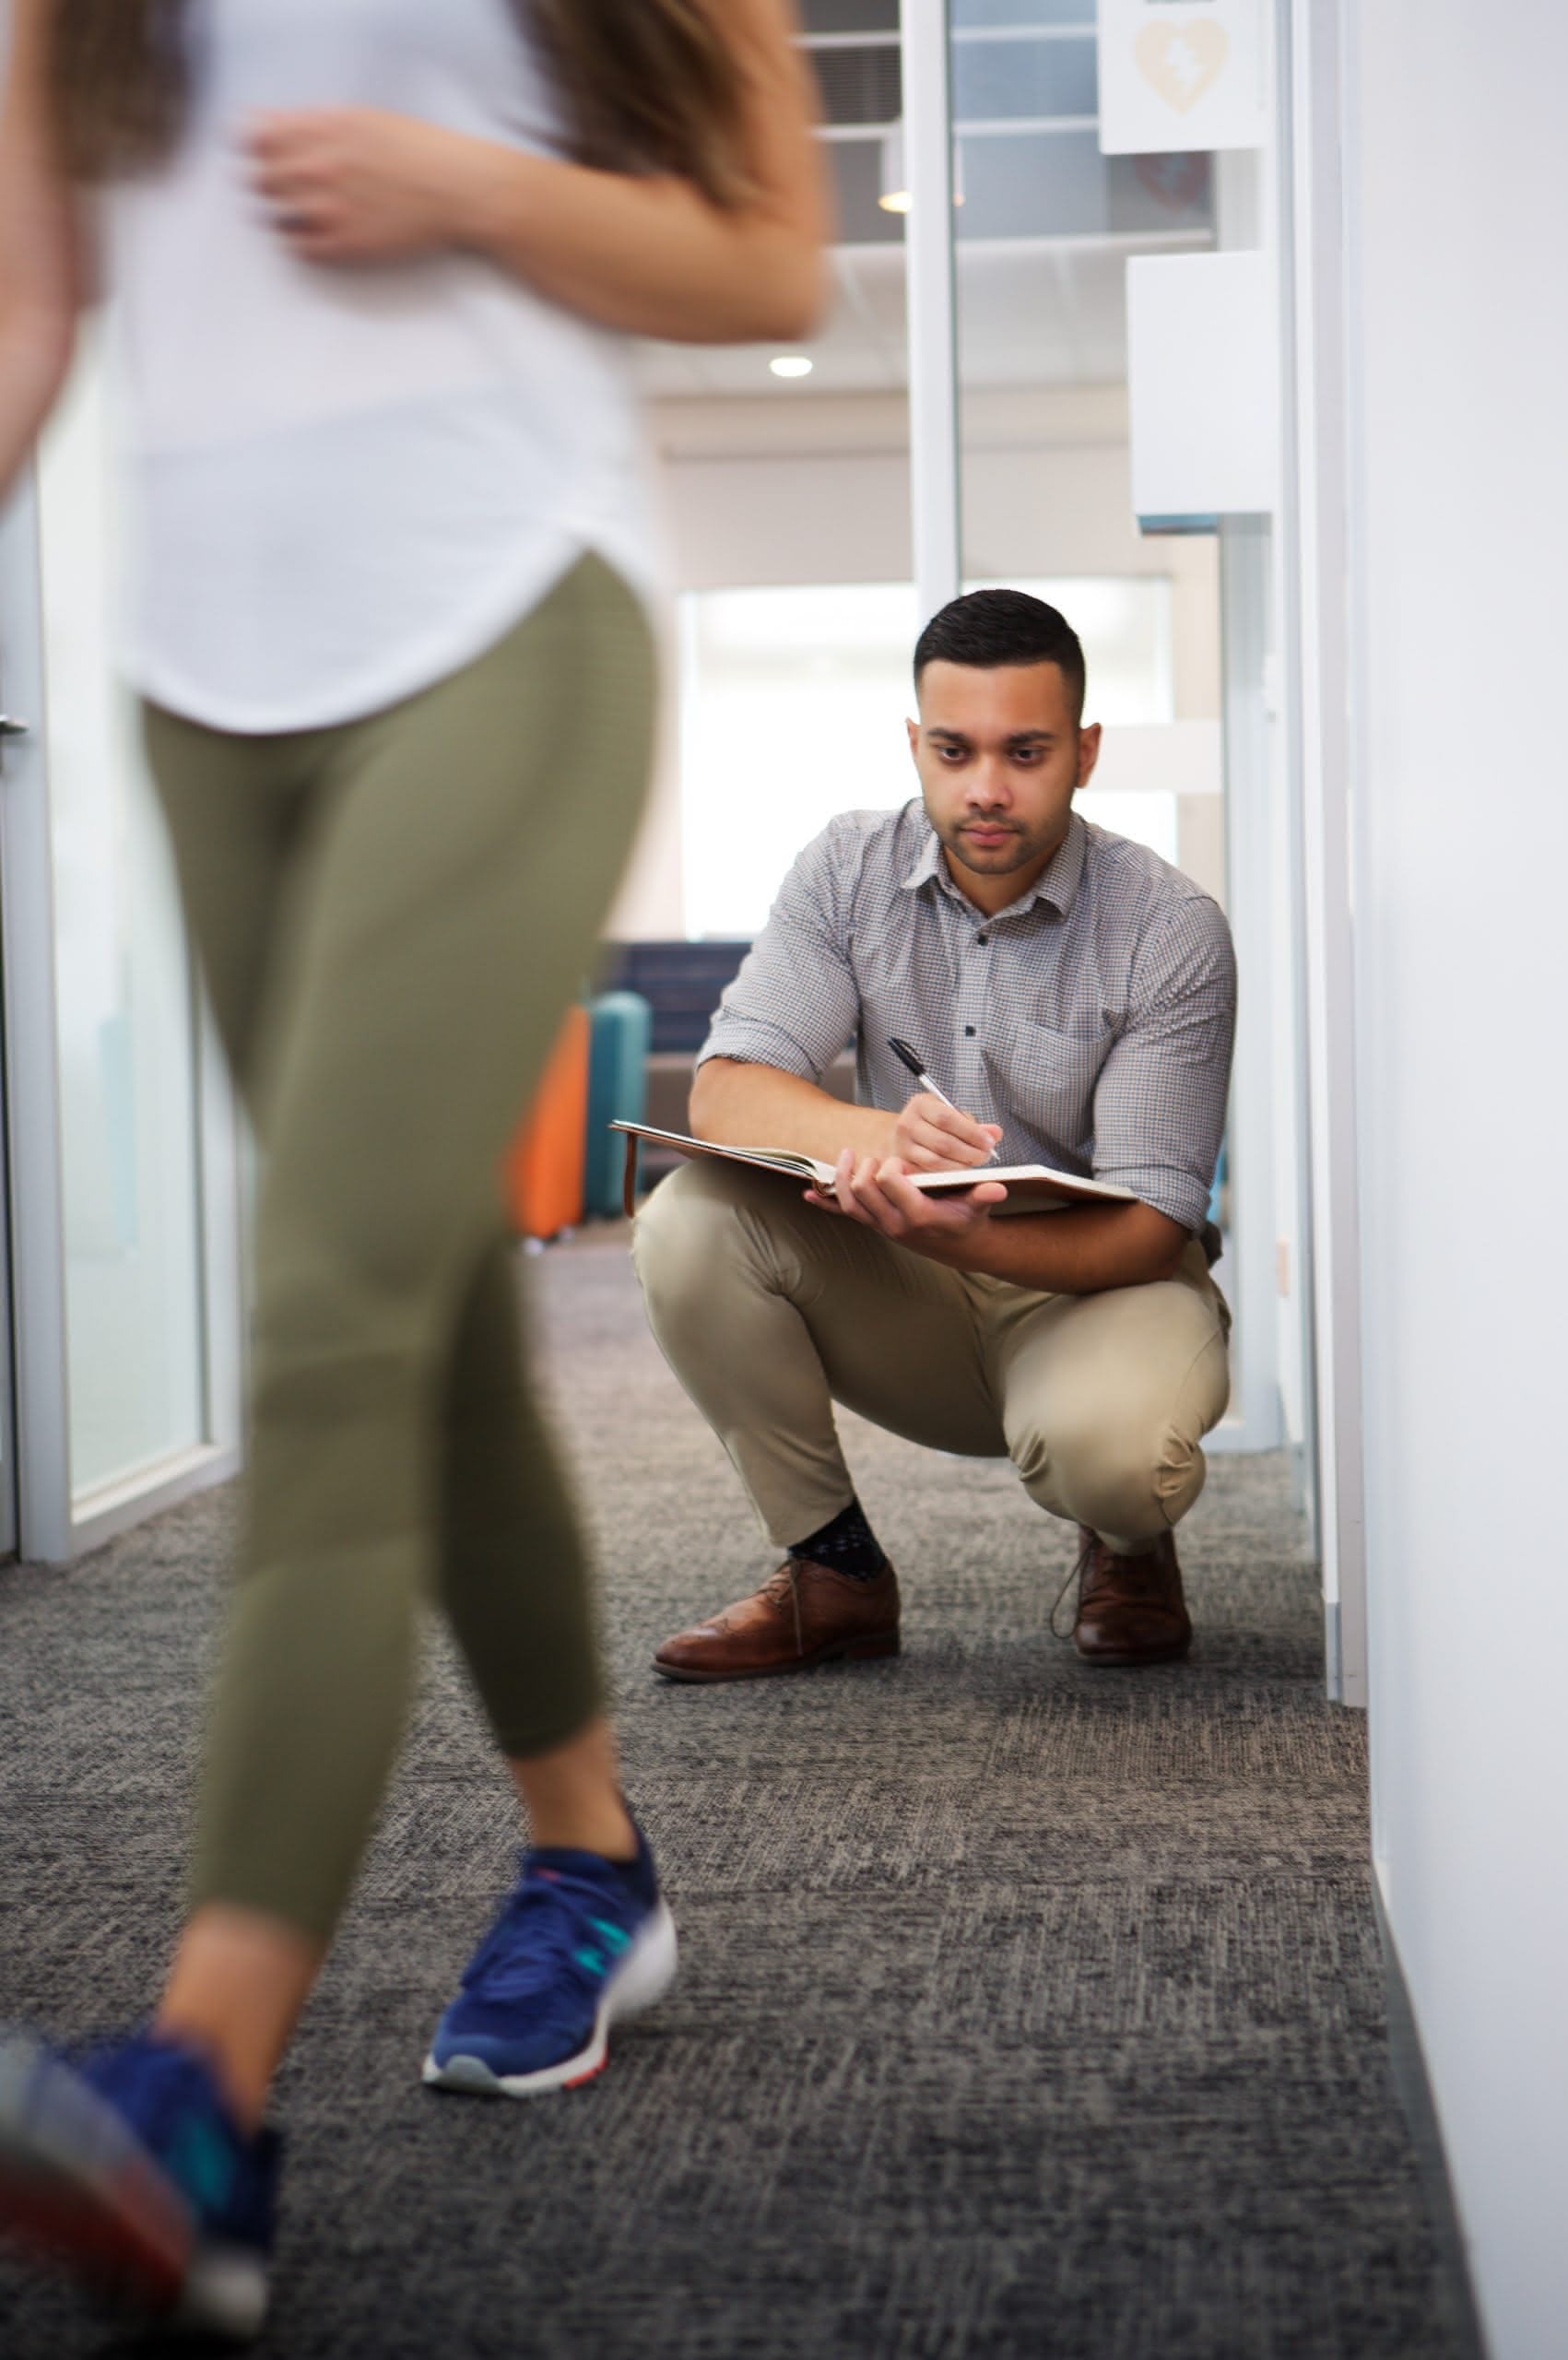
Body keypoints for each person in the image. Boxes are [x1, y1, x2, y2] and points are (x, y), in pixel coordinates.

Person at [0, 0, 825, 2334]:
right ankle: (591, 1856)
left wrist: (467, 188)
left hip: (499, 612)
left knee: (327, 1316)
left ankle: (196, 2090)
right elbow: (38, 300)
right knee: (429, 1301)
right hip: (194, 675)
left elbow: (772, 265)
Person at [633, 588, 1235, 1685]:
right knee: (688, 1223)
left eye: (1026, 751)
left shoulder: (1168, 927)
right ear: (914, 743)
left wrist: (956, 1232)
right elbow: (726, 1092)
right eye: (953, 751)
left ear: (1085, 752)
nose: (986, 790)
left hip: (1094, 1287)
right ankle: (834, 1574)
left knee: (1116, 1460)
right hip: (901, 1269)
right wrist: (885, 1143)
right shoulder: (846, 869)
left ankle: (1130, 1546)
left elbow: (1152, 1227)